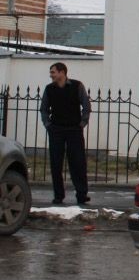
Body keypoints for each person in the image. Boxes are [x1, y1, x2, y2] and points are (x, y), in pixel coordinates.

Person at [39, 62, 91, 205]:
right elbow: (44, 109)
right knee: (56, 163)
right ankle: (58, 195)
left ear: (62, 73)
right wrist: (48, 125)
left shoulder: (77, 86)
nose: (51, 75)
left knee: (78, 162)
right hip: (56, 130)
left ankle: (81, 194)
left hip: (74, 129)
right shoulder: (49, 89)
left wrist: (82, 124)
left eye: (53, 72)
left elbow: (86, 106)